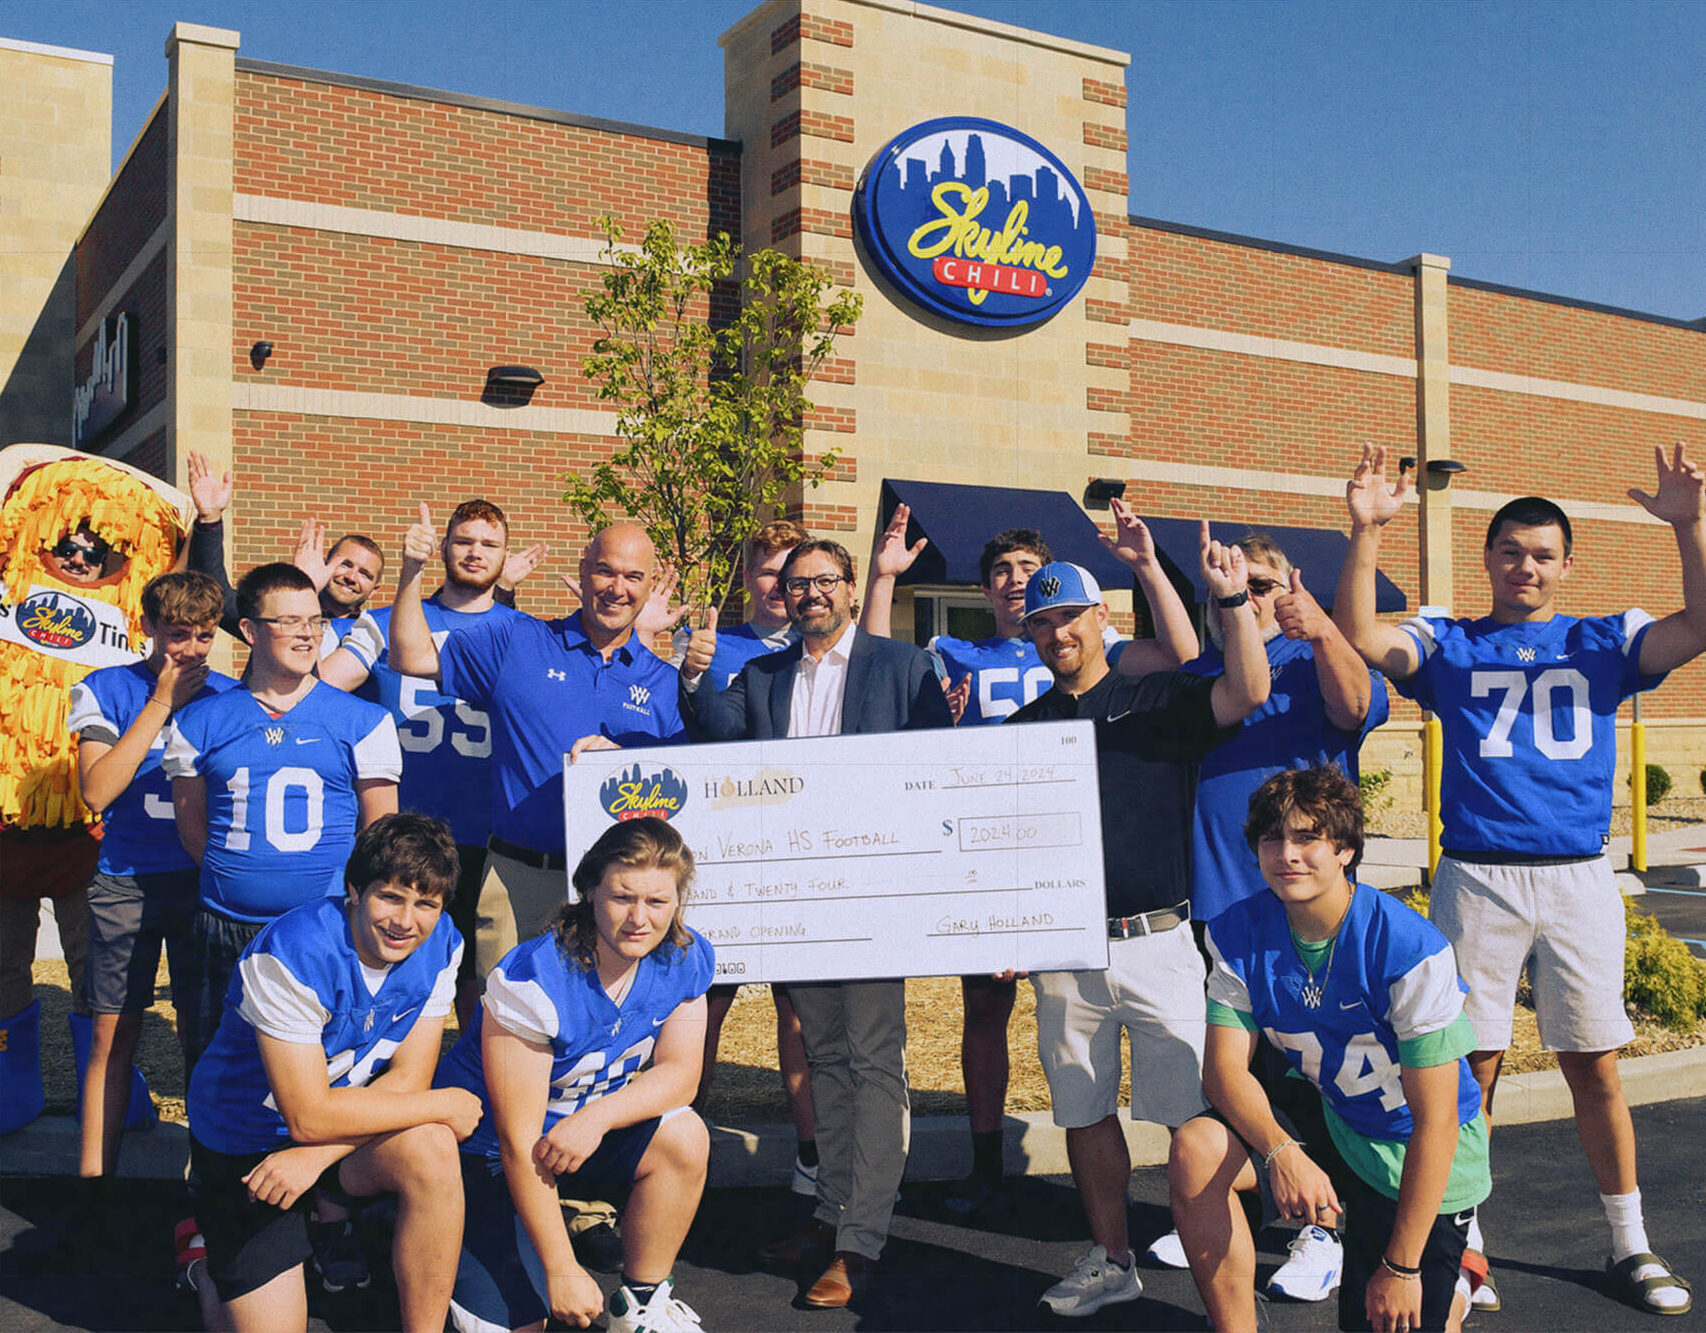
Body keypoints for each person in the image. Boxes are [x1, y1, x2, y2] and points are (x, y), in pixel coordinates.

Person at [1332, 441, 1702, 1316]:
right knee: (1471, 1069)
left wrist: (1689, 526)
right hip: (1480, 876)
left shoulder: (1603, 637)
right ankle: (1465, 1243)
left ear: (1566, 565)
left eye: (1542, 555)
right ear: (1488, 558)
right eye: (1510, 551)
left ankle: (1629, 1240)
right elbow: (1361, 635)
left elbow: (1699, 626)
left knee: (1596, 1066)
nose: (1525, 566)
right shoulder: (1449, 638)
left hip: (1577, 878)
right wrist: (1363, 533)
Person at [858, 499, 1198, 1215]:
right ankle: (987, 1161)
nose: (1018, 582)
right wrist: (884, 581)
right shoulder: (957, 651)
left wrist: (1144, 564)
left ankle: (1195, 1203)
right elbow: (876, 666)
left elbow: (1179, 656)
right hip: (997, 845)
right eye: (1003, 572)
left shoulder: (1094, 646)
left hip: (1080, 854)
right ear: (985, 592)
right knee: (986, 1011)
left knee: (1098, 1048)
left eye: (1030, 570)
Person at [682, 537, 952, 1308]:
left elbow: (936, 773)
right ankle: (832, 1209)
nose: (811, 595)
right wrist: (695, 671)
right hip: (796, 900)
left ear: (847, 587)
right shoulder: (760, 674)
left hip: (872, 900)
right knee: (826, 1057)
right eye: (797, 584)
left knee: (871, 1061)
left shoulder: (903, 668)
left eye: (825, 581)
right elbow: (719, 739)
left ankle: (861, 1239)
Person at [1007, 538, 1268, 1319]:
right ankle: (1112, 1257)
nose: (1058, 635)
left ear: (1102, 617)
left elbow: (1246, 691)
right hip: (1064, 951)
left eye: (1070, 618)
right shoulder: (1022, 727)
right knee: (1085, 1114)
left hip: (1159, 942)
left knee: (1198, 1124)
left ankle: (1226, 1282)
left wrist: (1229, 603)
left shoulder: (1154, 699)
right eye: (1042, 623)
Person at [1151, 530, 1389, 1298]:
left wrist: (1321, 626)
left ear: (1288, 586)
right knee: (1232, 1077)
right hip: (1220, 910)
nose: (1247, 598)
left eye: (1260, 585)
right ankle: (1238, 1220)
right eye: (1232, 586)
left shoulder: (1314, 660)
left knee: (1319, 1078)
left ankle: (1323, 1227)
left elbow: (1357, 704)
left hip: (1310, 910)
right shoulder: (1203, 676)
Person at [1172, 765, 1487, 1333]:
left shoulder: (1409, 949)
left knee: (1393, 1307)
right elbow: (1223, 1072)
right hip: (1332, 1116)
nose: (1287, 853)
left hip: (1407, 1146)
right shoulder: (1237, 930)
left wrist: (1402, 1267)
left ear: (1343, 849)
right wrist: (1282, 1153)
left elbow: (1436, 1123)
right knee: (1198, 1145)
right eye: (1273, 838)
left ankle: (1456, 1284)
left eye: (1307, 837)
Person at [184, 812, 478, 1333]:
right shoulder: (293, 954)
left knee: (431, 1147)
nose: (406, 921)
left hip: (337, 1136)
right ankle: (209, 1267)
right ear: (353, 891)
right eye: (390, 897)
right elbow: (306, 1115)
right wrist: (447, 1102)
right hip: (249, 1145)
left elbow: (406, 1080)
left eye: (425, 904)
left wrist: (316, 1159)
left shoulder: (442, 943)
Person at [434, 816, 713, 1333]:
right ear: (588, 891)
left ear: (678, 902)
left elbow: (680, 1076)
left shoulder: (684, 955)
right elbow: (518, 1144)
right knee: (525, 1323)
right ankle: (409, 1228)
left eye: (657, 902)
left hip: (570, 1138)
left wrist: (598, 1118)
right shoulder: (535, 979)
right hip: (487, 1155)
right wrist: (563, 1269)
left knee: (684, 1134)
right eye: (622, 897)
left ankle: (642, 1304)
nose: (639, 918)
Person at [386, 508, 686, 981]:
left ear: (650, 588)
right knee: (506, 1026)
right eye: (605, 570)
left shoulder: (667, 684)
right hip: (519, 878)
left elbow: (685, 787)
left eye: (633, 577)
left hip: (622, 890)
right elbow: (411, 656)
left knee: (600, 1031)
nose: (617, 588)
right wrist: (411, 571)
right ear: (583, 572)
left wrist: (628, 762)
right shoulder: (518, 640)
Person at [164, 562, 402, 1072]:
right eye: (289, 621)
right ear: (249, 630)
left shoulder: (363, 720)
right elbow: (193, 829)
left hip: (320, 927)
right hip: (223, 924)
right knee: (215, 1067)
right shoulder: (199, 718)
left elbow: (379, 835)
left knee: (318, 1069)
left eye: (315, 621)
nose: (307, 634)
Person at [62, 572, 236, 1243]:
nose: (188, 649)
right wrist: (159, 704)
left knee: (205, 1034)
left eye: (200, 635)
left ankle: (208, 1185)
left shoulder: (231, 695)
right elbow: (98, 790)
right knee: (113, 1032)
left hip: (202, 882)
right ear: (149, 630)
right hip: (125, 880)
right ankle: (93, 1190)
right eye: (175, 634)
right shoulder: (106, 685)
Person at [319, 499, 530, 1028]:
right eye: (464, 541)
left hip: (491, 830)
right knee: (395, 965)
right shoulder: (384, 621)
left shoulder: (527, 634)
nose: (475, 552)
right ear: (443, 547)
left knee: (482, 981)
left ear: (505, 558)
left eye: (489, 544)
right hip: (403, 826)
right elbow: (318, 691)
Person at [673, 518, 819, 1198]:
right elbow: (694, 731)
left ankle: (814, 1153)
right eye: (767, 571)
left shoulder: (819, 649)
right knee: (704, 1001)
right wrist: (690, 668)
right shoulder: (712, 645)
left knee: (801, 1011)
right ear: (750, 579)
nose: (780, 585)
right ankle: (684, 1139)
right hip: (722, 851)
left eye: (793, 572)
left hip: (796, 852)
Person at [182, 452, 384, 655]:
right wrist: (210, 519)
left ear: (374, 590)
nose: (351, 577)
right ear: (324, 564)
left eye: (364, 574)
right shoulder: (273, 615)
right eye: (345, 564)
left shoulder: (374, 636)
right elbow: (217, 597)